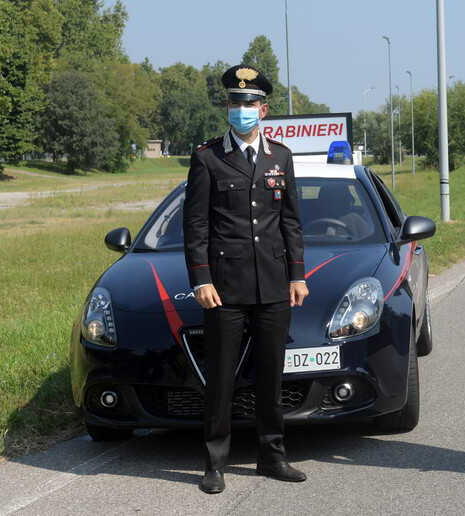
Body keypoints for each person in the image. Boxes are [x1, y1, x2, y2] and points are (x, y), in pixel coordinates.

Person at [183, 64, 309, 494]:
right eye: (236, 103)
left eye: (250, 103)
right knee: (221, 377)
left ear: (264, 109)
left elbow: (291, 222)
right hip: (225, 287)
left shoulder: (282, 158)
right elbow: (195, 226)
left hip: (274, 284)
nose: (243, 109)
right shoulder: (207, 158)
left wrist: (297, 275)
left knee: (272, 374)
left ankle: (272, 457)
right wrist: (201, 279)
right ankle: (214, 463)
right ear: (227, 107)